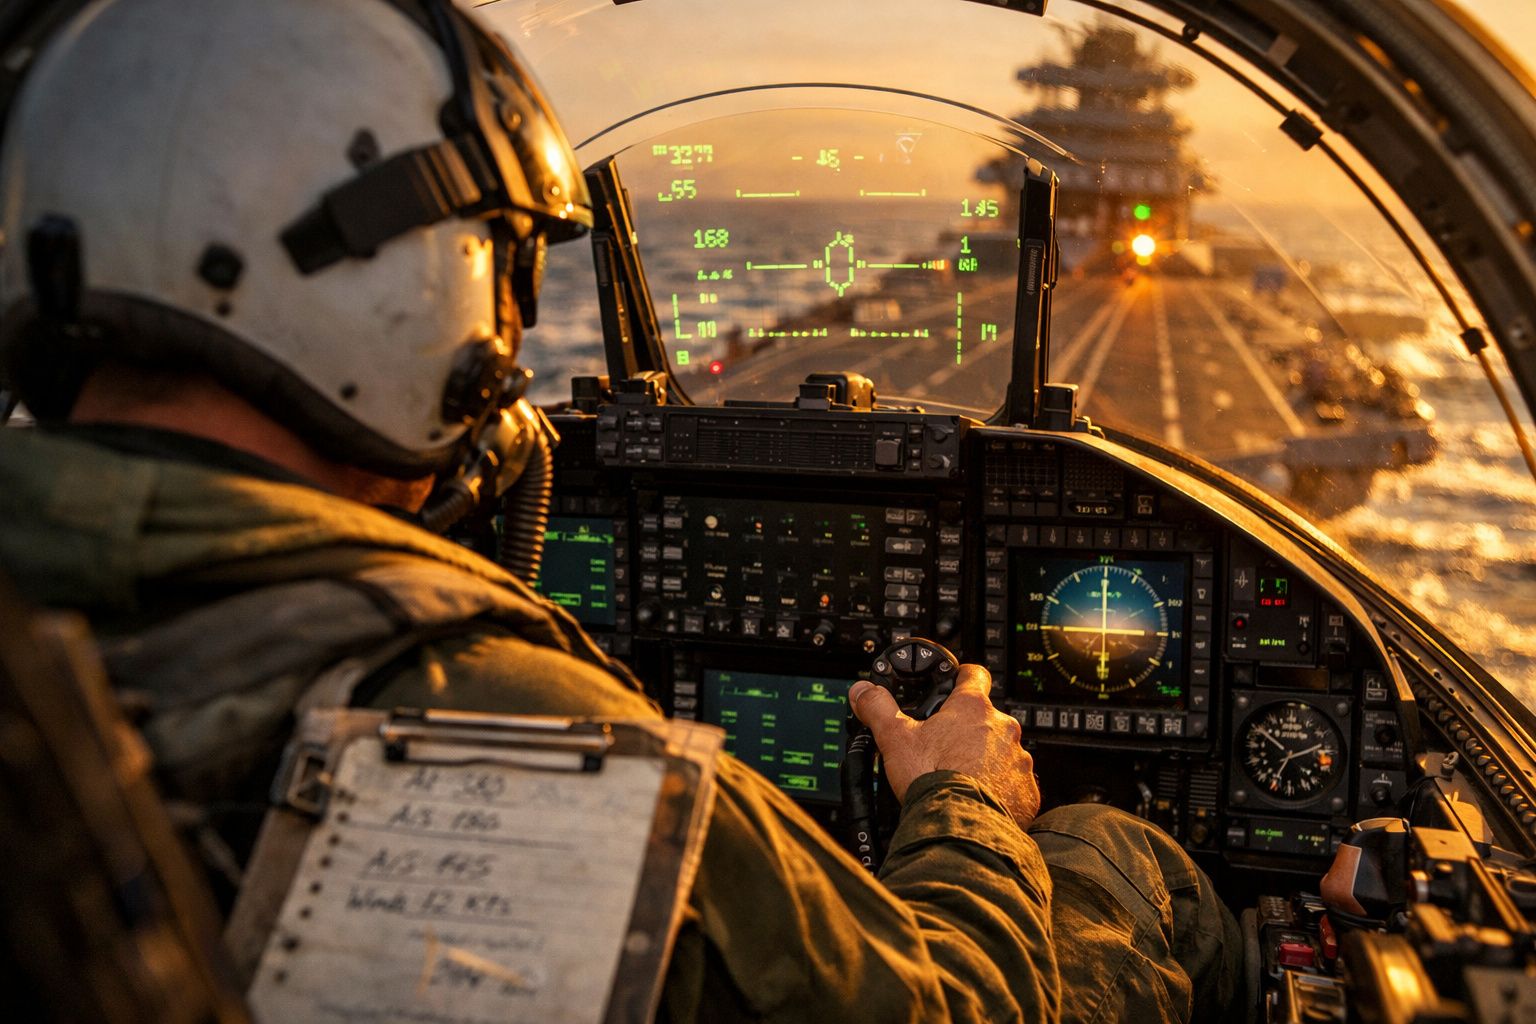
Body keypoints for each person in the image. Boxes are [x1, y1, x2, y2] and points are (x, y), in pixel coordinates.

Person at [0, 0, 1243, 1020]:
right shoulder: (498, 721)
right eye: (498, 280)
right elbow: (949, 1004)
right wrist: (962, 800)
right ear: (411, 287)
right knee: (1110, 851)